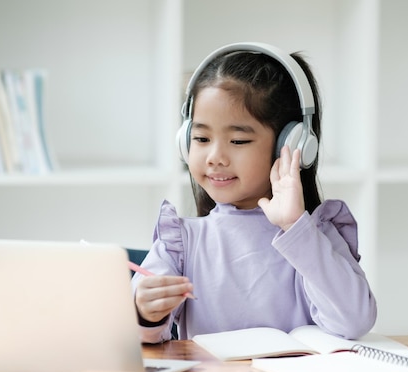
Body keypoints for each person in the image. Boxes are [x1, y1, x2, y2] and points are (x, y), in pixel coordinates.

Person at [132, 42, 377, 343]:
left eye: (237, 141)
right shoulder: (180, 243)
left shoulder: (316, 236)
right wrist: (144, 310)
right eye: (201, 137)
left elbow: (353, 322)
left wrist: (295, 226)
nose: (215, 157)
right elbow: (142, 335)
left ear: (292, 144)